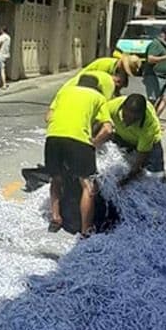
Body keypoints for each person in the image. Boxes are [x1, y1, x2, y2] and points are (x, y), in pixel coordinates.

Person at [45, 75, 108, 236]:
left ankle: (56, 218)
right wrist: (94, 142)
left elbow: (48, 117)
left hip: (53, 137)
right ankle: (86, 230)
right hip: (79, 140)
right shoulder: (98, 97)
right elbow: (108, 129)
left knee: (56, 179)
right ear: (95, 87)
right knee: (87, 185)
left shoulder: (64, 91)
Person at [91, 92, 165, 188]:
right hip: (122, 135)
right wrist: (92, 140)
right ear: (123, 108)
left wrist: (128, 177)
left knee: (155, 176)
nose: (128, 122)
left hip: (149, 143)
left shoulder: (149, 127)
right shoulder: (112, 106)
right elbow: (98, 121)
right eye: (125, 116)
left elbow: (141, 155)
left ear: (142, 115)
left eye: (134, 119)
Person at [141, 29, 166, 113]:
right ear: (164, 34)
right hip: (154, 76)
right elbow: (150, 59)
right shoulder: (155, 44)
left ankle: (155, 116)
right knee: (152, 100)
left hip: (164, 77)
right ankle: (146, 117)